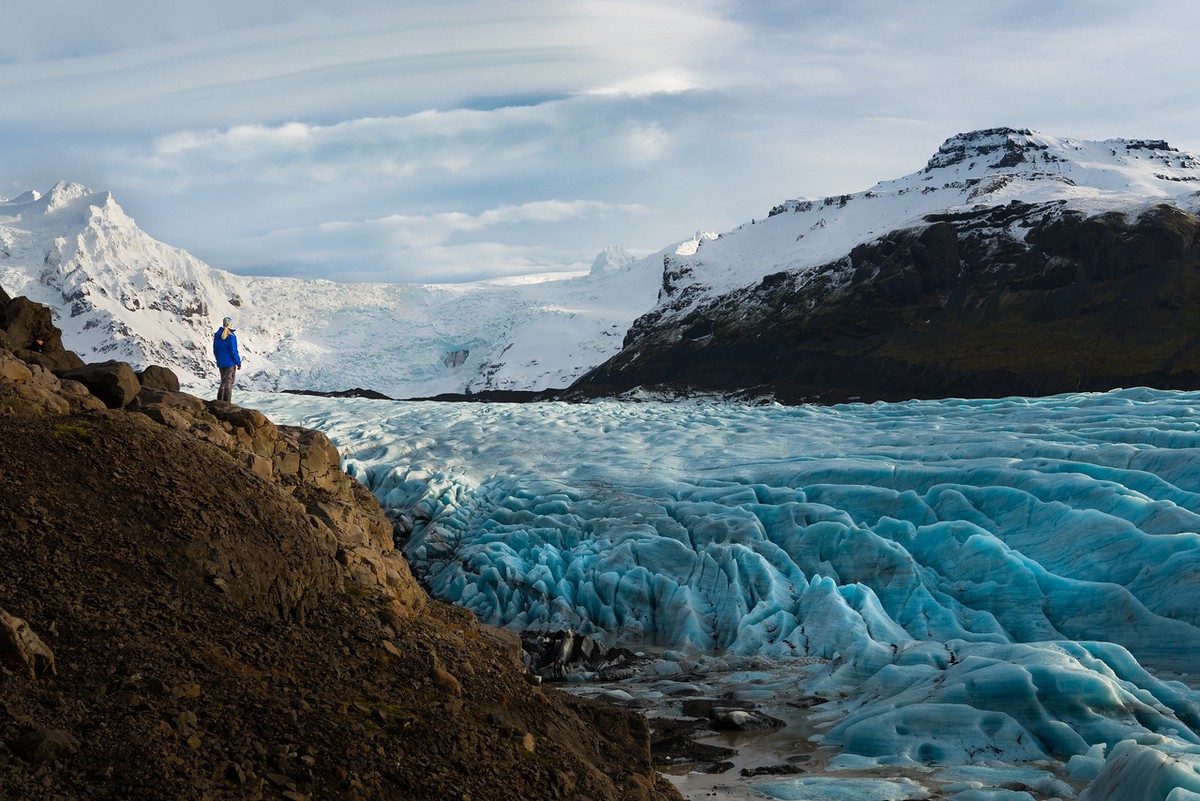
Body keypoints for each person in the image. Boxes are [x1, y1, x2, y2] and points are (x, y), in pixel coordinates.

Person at [212, 316, 242, 402]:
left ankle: (219, 401)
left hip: (221, 362)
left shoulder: (217, 335)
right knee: (228, 382)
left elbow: (215, 349)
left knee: (223, 381)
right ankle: (226, 402)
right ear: (230, 324)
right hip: (230, 363)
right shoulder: (231, 336)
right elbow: (233, 351)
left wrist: (219, 359)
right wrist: (238, 363)